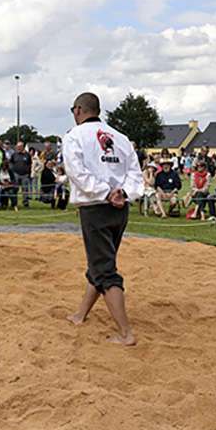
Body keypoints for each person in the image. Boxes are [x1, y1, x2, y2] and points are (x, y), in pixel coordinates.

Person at [62, 92, 145, 346]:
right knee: (101, 262)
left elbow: (77, 173)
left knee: (106, 270)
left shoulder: (74, 136)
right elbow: (135, 174)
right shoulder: (120, 138)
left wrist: (106, 193)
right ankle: (80, 314)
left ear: (78, 110)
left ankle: (125, 334)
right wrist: (123, 193)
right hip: (120, 209)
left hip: (97, 207)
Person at [9, 142, 33, 207]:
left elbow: (29, 165)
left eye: (20, 146)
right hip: (16, 174)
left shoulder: (27, 155)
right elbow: (12, 164)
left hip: (25, 174)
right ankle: (14, 202)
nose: (19, 148)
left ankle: (25, 202)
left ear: (23, 147)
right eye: (18, 146)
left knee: (25, 189)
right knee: (15, 189)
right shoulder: (14, 155)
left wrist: (28, 172)